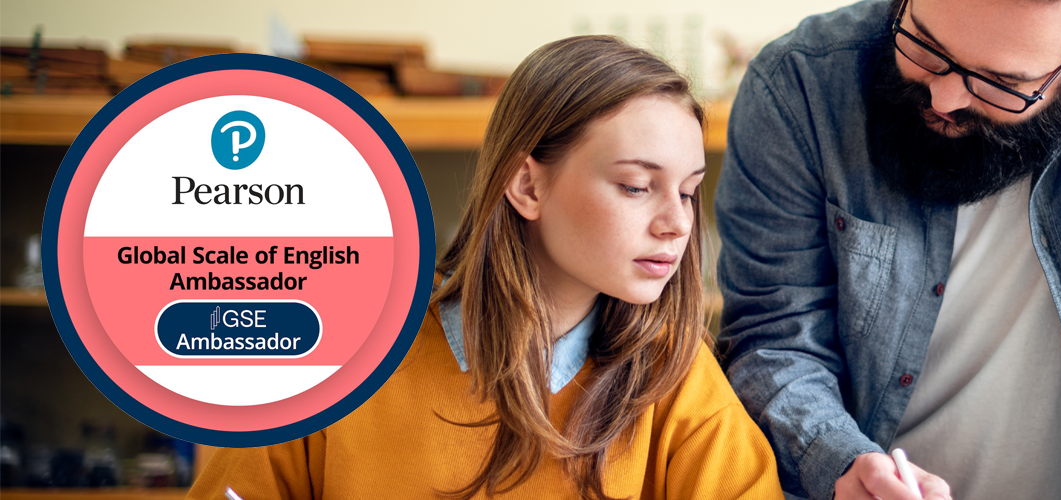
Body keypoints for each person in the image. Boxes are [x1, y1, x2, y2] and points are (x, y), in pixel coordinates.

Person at [714, 0, 1061, 498]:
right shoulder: (797, 83)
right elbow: (775, 336)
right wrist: (842, 463)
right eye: (925, 48)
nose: (945, 97)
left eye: (1000, 82)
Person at [189, 35, 783, 500]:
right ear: (526, 184)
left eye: (687, 191)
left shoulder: (675, 375)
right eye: (634, 186)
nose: (677, 224)